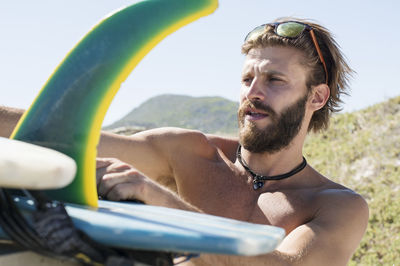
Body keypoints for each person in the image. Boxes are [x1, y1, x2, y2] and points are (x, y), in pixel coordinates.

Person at [1, 18, 368, 266]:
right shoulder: (188, 152)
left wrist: (166, 205)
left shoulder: (337, 207)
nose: (252, 93)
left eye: (275, 80)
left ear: (317, 97)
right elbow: (67, 142)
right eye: (247, 79)